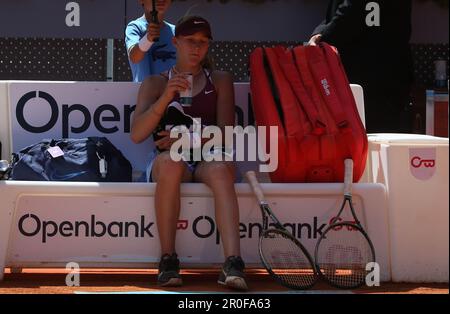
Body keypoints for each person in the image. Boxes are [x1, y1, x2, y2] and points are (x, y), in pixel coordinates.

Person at [130, 16, 248, 291]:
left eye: (203, 42)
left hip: (209, 159)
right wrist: (165, 98)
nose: (197, 48)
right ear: (175, 42)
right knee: (171, 163)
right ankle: (169, 260)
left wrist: (184, 137)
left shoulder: (220, 80)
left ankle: (233, 263)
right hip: (172, 163)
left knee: (220, 169)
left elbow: (226, 133)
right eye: (190, 41)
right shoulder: (154, 84)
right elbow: (137, 134)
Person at [308, 0, 414, 133]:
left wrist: (322, 38)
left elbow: (352, 13)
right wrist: (320, 33)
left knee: (370, 139)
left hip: (371, 77)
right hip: (384, 75)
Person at [125, 0, 176, 82]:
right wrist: (147, 39)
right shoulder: (135, 27)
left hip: (173, 93)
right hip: (144, 94)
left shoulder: (176, 31)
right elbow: (134, 57)